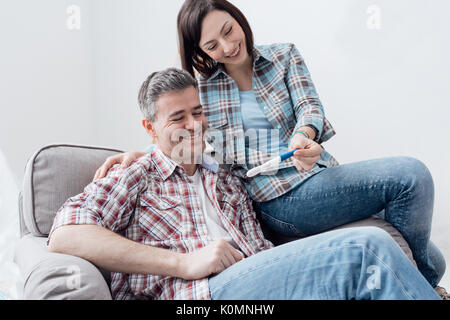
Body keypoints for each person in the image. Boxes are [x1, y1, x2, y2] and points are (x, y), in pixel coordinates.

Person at [93, 0, 447, 297]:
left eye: (228, 31)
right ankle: (429, 288)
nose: (227, 47)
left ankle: (422, 277)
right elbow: (181, 123)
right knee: (410, 176)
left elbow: (310, 107)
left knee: (429, 253)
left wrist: (304, 134)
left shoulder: (284, 55)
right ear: (201, 52)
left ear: (238, 19)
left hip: (317, 178)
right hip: (276, 198)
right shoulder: (205, 88)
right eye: (212, 45)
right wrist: (143, 151)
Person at [48, 68, 441, 300]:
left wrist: (305, 153)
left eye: (198, 111)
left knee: (406, 253)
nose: (193, 125)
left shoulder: (225, 178)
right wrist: (183, 262)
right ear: (149, 128)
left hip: (255, 282)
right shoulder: (136, 174)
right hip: (196, 296)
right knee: (365, 250)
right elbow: (64, 235)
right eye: (177, 117)